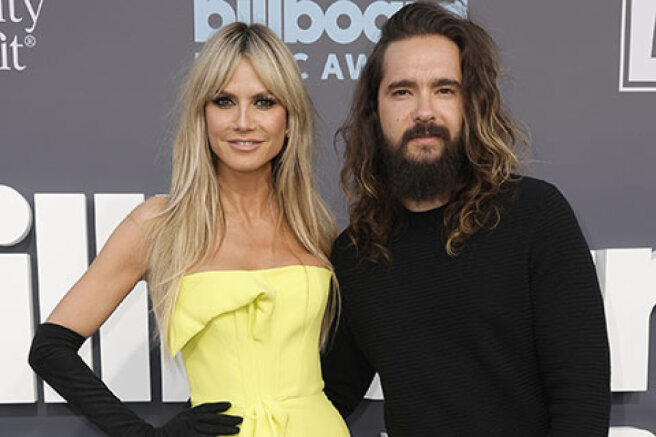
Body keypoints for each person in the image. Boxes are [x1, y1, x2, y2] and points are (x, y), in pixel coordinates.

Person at [29, 23, 349, 437]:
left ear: (289, 120)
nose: (243, 121)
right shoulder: (160, 225)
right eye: (224, 101)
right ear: (202, 115)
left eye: (264, 101)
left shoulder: (314, 227)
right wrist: (146, 435)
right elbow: (50, 348)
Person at [321, 2, 610, 436]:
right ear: (374, 112)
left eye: (444, 89)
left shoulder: (536, 216)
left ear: (470, 104)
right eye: (402, 91)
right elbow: (321, 399)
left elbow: (581, 402)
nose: (424, 112)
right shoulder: (358, 254)